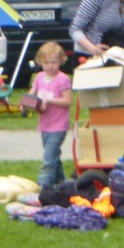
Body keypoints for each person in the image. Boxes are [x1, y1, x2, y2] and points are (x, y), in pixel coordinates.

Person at [30, 41, 72, 188]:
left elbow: (68, 101)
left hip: (58, 125)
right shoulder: (39, 77)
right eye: (46, 62)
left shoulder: (63, 79)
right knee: (53, 156)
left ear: (61, 61)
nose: (50, 66)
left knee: (48, 157)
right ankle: (62, 182)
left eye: (53, 62)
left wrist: (49, 100)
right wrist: (27, 103)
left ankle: (44, 185)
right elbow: (32, 95)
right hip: (44, 125)